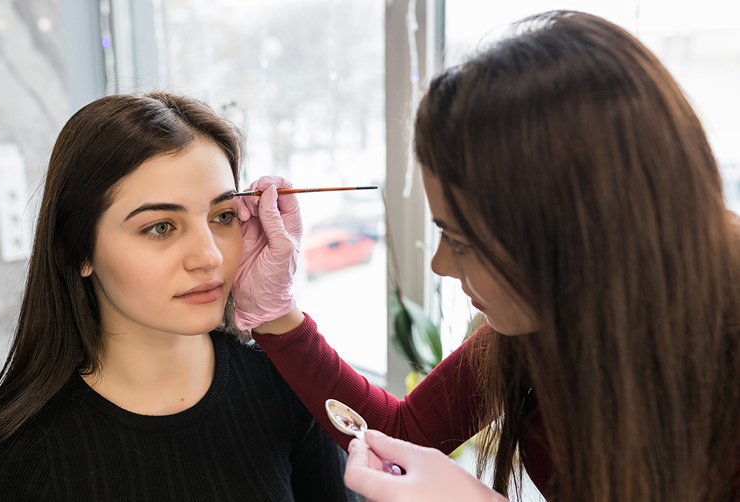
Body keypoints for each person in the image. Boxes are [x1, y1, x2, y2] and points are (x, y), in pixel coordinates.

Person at [230, 11, 740, 502]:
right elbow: (400, 433)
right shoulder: (548, 315)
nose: (440, 266)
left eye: (463, 241)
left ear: (578, 235)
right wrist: (276, 313)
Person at [0, 92, 357, 501]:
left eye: (222, 216)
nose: (210, 256)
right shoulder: (15, 463)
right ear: (79, 251)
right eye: (161, 227)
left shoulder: (286, 385)